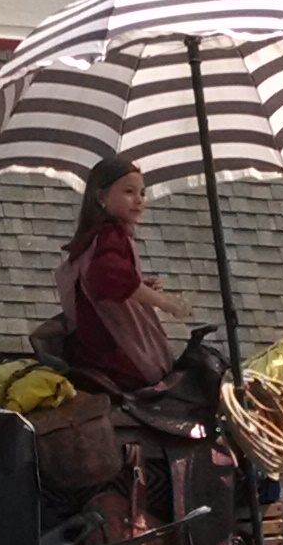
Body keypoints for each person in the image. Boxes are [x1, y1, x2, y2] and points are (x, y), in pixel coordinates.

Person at [54, 160, 188, 392]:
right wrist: (167, 304)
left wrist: (141, 286)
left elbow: (113, 280)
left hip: (97, 348)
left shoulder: (97, 238)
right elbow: (111, 277)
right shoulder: (109, 235)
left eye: (142, 193)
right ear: (101, 197)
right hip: (113, 353)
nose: (138, 200)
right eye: (129, 192)